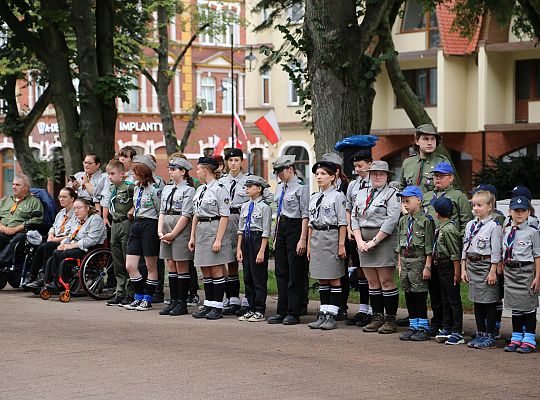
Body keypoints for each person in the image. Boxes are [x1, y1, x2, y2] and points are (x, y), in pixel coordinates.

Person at [423, 161, 473, 335]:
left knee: (449, 291)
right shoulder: (428, 196)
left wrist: (457, 242)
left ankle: (452, 325)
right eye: (436, 176)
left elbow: (466, 222)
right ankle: (438, 321)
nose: (438, 179)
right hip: (431, 250)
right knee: (435, 290)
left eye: (442, 176)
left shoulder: (458, 196)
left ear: (451, 178)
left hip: (449, 249)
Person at [351, 161, 401, 334]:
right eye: (374, 173)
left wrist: (374, 241)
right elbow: (354, 217)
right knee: (372, 282)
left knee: (386, 281)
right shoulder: (361, 193)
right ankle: (376, 317)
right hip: (362, 240)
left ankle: (390, 319)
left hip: (383, 239)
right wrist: (358, 241)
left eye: (381, 174)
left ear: (387, 176)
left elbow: (391, 220)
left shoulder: (392, 194)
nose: (377, 177)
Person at [189, 157, 233, 320]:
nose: (197, 172)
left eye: (198, 169)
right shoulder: (201, 189)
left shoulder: (220, 189)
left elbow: (224, 215)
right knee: (205, 268)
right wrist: (192, 236)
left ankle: (217, 306)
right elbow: (196, 214)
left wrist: (218, 239)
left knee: (215, 268)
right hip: (201, 229)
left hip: (214, 228)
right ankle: (208, 303)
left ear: (205, 170)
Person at [267, 155, 309, 326]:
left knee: (295, 272)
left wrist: (302, 239)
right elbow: (278, 214)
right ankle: (281, 310)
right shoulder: (279, 188)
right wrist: (276, 237)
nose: (279, 175)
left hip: (296, 227)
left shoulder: (301, 188)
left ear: (290, 169)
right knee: (281, 271)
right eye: (277, 172)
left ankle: (294, 311)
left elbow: (305, 214)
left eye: (281, 171)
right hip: (282, 228)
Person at [306, 160, 348, 330]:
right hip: (317, 236)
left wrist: (341, 244)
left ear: (332, 177)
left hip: (331, 236)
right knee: (322, 277)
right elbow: (310, 222)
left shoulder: (338, 196)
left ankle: (332, 314)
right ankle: (323, 313)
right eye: (317, 174)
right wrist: (309, 245)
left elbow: (342, 222)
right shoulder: (314, 197)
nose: (319, 177)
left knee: (334, 277)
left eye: (323, 174)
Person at [461, 190, 502, 349]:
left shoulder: (494, 226)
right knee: (477, 301)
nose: (476, 208)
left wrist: (493, 271)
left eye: (479, 205)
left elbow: (496, 251)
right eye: (474, 205)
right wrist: (463, 268)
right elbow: (465, 247)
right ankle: (480, 332)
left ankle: (490, 334)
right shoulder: (471, 225)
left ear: (489, 207)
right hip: (472, 265)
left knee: (489, 301)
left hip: (485, 266)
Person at [502, 196, 540, 353]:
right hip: (510, 271)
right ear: (510, 212)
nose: (519, 214)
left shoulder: (533, 232)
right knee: (515, 307)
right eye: (516, 211)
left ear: (528, 212)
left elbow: (537, 255)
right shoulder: (506, 230)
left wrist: (537, 276)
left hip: (526, 271)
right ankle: (516, 337)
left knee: (528, 306)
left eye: (523, 211)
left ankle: (529, 338)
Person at [43, 198, 107, 292]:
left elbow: (92, 240)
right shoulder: (77, 220)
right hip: (76, 246)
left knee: (65, 254)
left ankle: (61, 282)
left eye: (79, 208)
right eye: (74, 208)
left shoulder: (95, 219)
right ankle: (53, 281)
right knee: (56, 252)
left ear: (87, 208)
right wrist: (63, 243)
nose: (76, 211)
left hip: (89, 249)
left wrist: (71, 246)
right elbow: (70, 236)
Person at [158, 157, 195, 316]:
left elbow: (186, 214)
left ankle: (182, 302)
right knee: (171, 264)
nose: (170, 171)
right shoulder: (167, 188)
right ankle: (173, 300)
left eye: (173, 169)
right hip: (166, 224)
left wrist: (173, 234)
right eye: (170, 168)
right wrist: (160, 230)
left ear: (183, 171)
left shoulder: (189, 190)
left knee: (181, 265)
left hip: (179, 227)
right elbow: (161, 211)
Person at [124, 155, 162, 311]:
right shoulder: (136, 188)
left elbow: (160, 211)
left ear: (142, 171)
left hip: (150, 225)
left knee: (150, 265)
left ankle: (147, 298)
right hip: (137, 224)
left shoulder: (155, 190)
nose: (132, 174)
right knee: (130, 265)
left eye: (134, 171)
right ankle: (138, 295)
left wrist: (159, 230)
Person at [396, 186, 434, 341]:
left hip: (419, 261)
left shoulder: (426, 221)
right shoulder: (403, 221)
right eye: (403, 201)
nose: (405, 204)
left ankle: (423, 326)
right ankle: (413, 324)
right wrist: (399, 264)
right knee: (409, 294)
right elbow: (400, 244)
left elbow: (428, 247)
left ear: (418, 200)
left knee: (419, 294)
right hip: (405, 261)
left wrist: (427, 266)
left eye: (408, 201)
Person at [219, 149, 253, 316]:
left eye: (237, 160)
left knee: (245, 259)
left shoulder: (249, 180)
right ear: (226, 162)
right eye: (230, 160)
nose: (233, 163)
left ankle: (248, 298)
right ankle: (232, 298)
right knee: (230, 259)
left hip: (242, 218)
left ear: (242, 162)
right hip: (226, 219)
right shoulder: (222, 181)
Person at [24, 187, 77, 289]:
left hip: (66, 241)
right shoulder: (61, 213)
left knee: (48, 245)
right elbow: (53, 227)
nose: (61, 199)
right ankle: (32, 275)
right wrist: (50, 235)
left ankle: (45, 276)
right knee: (41, 246)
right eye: (60, 196)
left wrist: (55, 239)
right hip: (55, 239)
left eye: (64, 197)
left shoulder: (76, 214)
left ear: (72, 199)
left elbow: (73, 234)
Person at [236, 176, 272, 322]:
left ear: (259, 189)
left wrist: (262, 251)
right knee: (248, 276)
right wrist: (239, 248)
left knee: (258, 277)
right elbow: (240, 229)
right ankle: (250, 307)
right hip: (246, 240)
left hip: (258, 240)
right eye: (246, 186)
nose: (247, 189)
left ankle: (259, 309)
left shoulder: (265, 207)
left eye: (250, 186)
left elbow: (266, 231)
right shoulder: (244, 206)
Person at [430, 197, 464, 345]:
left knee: (453, 299)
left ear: (437, 213)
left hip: (449, 266)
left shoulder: (449, 229)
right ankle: (447, 326)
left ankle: (457, 330)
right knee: (444, 298)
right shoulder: (443, 227)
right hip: (441, 266)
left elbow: (455, 253)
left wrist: (457, 272)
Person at [345, 149, 373, 327]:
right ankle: (363, 308)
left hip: (371, 232)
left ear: (370, 164)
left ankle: (374, 310)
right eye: (355, 166)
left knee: (372, 271)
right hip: (356, 232)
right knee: (361, 269)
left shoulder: (375, 183)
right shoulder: (353, 185)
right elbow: (349, 208)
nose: (357, 170)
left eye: (360, 166)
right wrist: (348, 228)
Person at [103, 160, 136, 307]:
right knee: (117, 260)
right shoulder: (112, 188)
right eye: (108, 174)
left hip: (126, 223)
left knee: (126, 257)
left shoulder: (129, 187)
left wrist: (133, 208)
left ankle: (130, 293)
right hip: (115, 224)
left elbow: (139, 198)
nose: (110, 177)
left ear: (122, 174)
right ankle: (120, 291)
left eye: (112, 174)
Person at [399, 124, 449, 194]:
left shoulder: (442, 161)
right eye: (425, 139)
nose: (430, 143)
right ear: (417, 141)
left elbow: (447, 191)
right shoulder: (408, 162)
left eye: (433, 139)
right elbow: (402, 188)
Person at [0, 174, 44, 250]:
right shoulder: (5, 200)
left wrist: (15, 229)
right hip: (2, 230)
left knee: (18, 238)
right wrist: (1, 227)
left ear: (26, 187)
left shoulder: (34, 202)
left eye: (17, 185)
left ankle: (3, 260)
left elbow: (37, 220)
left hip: (20, 232)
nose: (14, 187)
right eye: (13, 184)